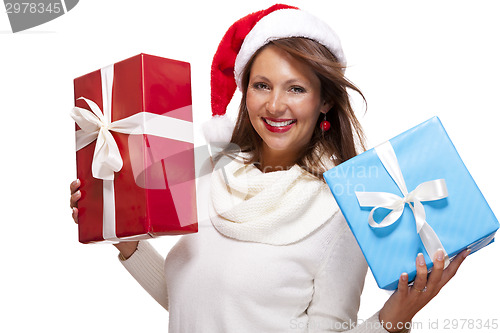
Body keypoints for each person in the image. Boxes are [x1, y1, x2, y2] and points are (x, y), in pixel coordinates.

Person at [70, 4, 469, 332]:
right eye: (262, 85)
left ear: (324, 101)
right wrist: (125, 239)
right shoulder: (213, 170)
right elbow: (191, 304)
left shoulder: (342, 207)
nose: (275, 105)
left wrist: (393, 320)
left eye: (296, 88)